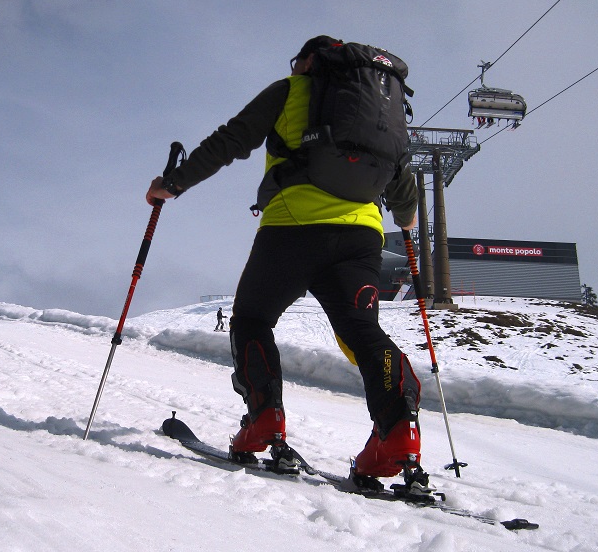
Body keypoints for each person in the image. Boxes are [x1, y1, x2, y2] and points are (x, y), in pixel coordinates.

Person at [146, 36, 423, 484]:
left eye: (297, 61)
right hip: (361, 237)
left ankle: (265, 420)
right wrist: (406, 219)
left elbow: (231, 140)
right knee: (362, 333)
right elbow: (402, 186)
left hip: (291, 229)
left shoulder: (290, 91)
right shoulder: (380, 111)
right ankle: (398, 436)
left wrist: (173, 184)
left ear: (310, 60)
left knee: (252, 319)